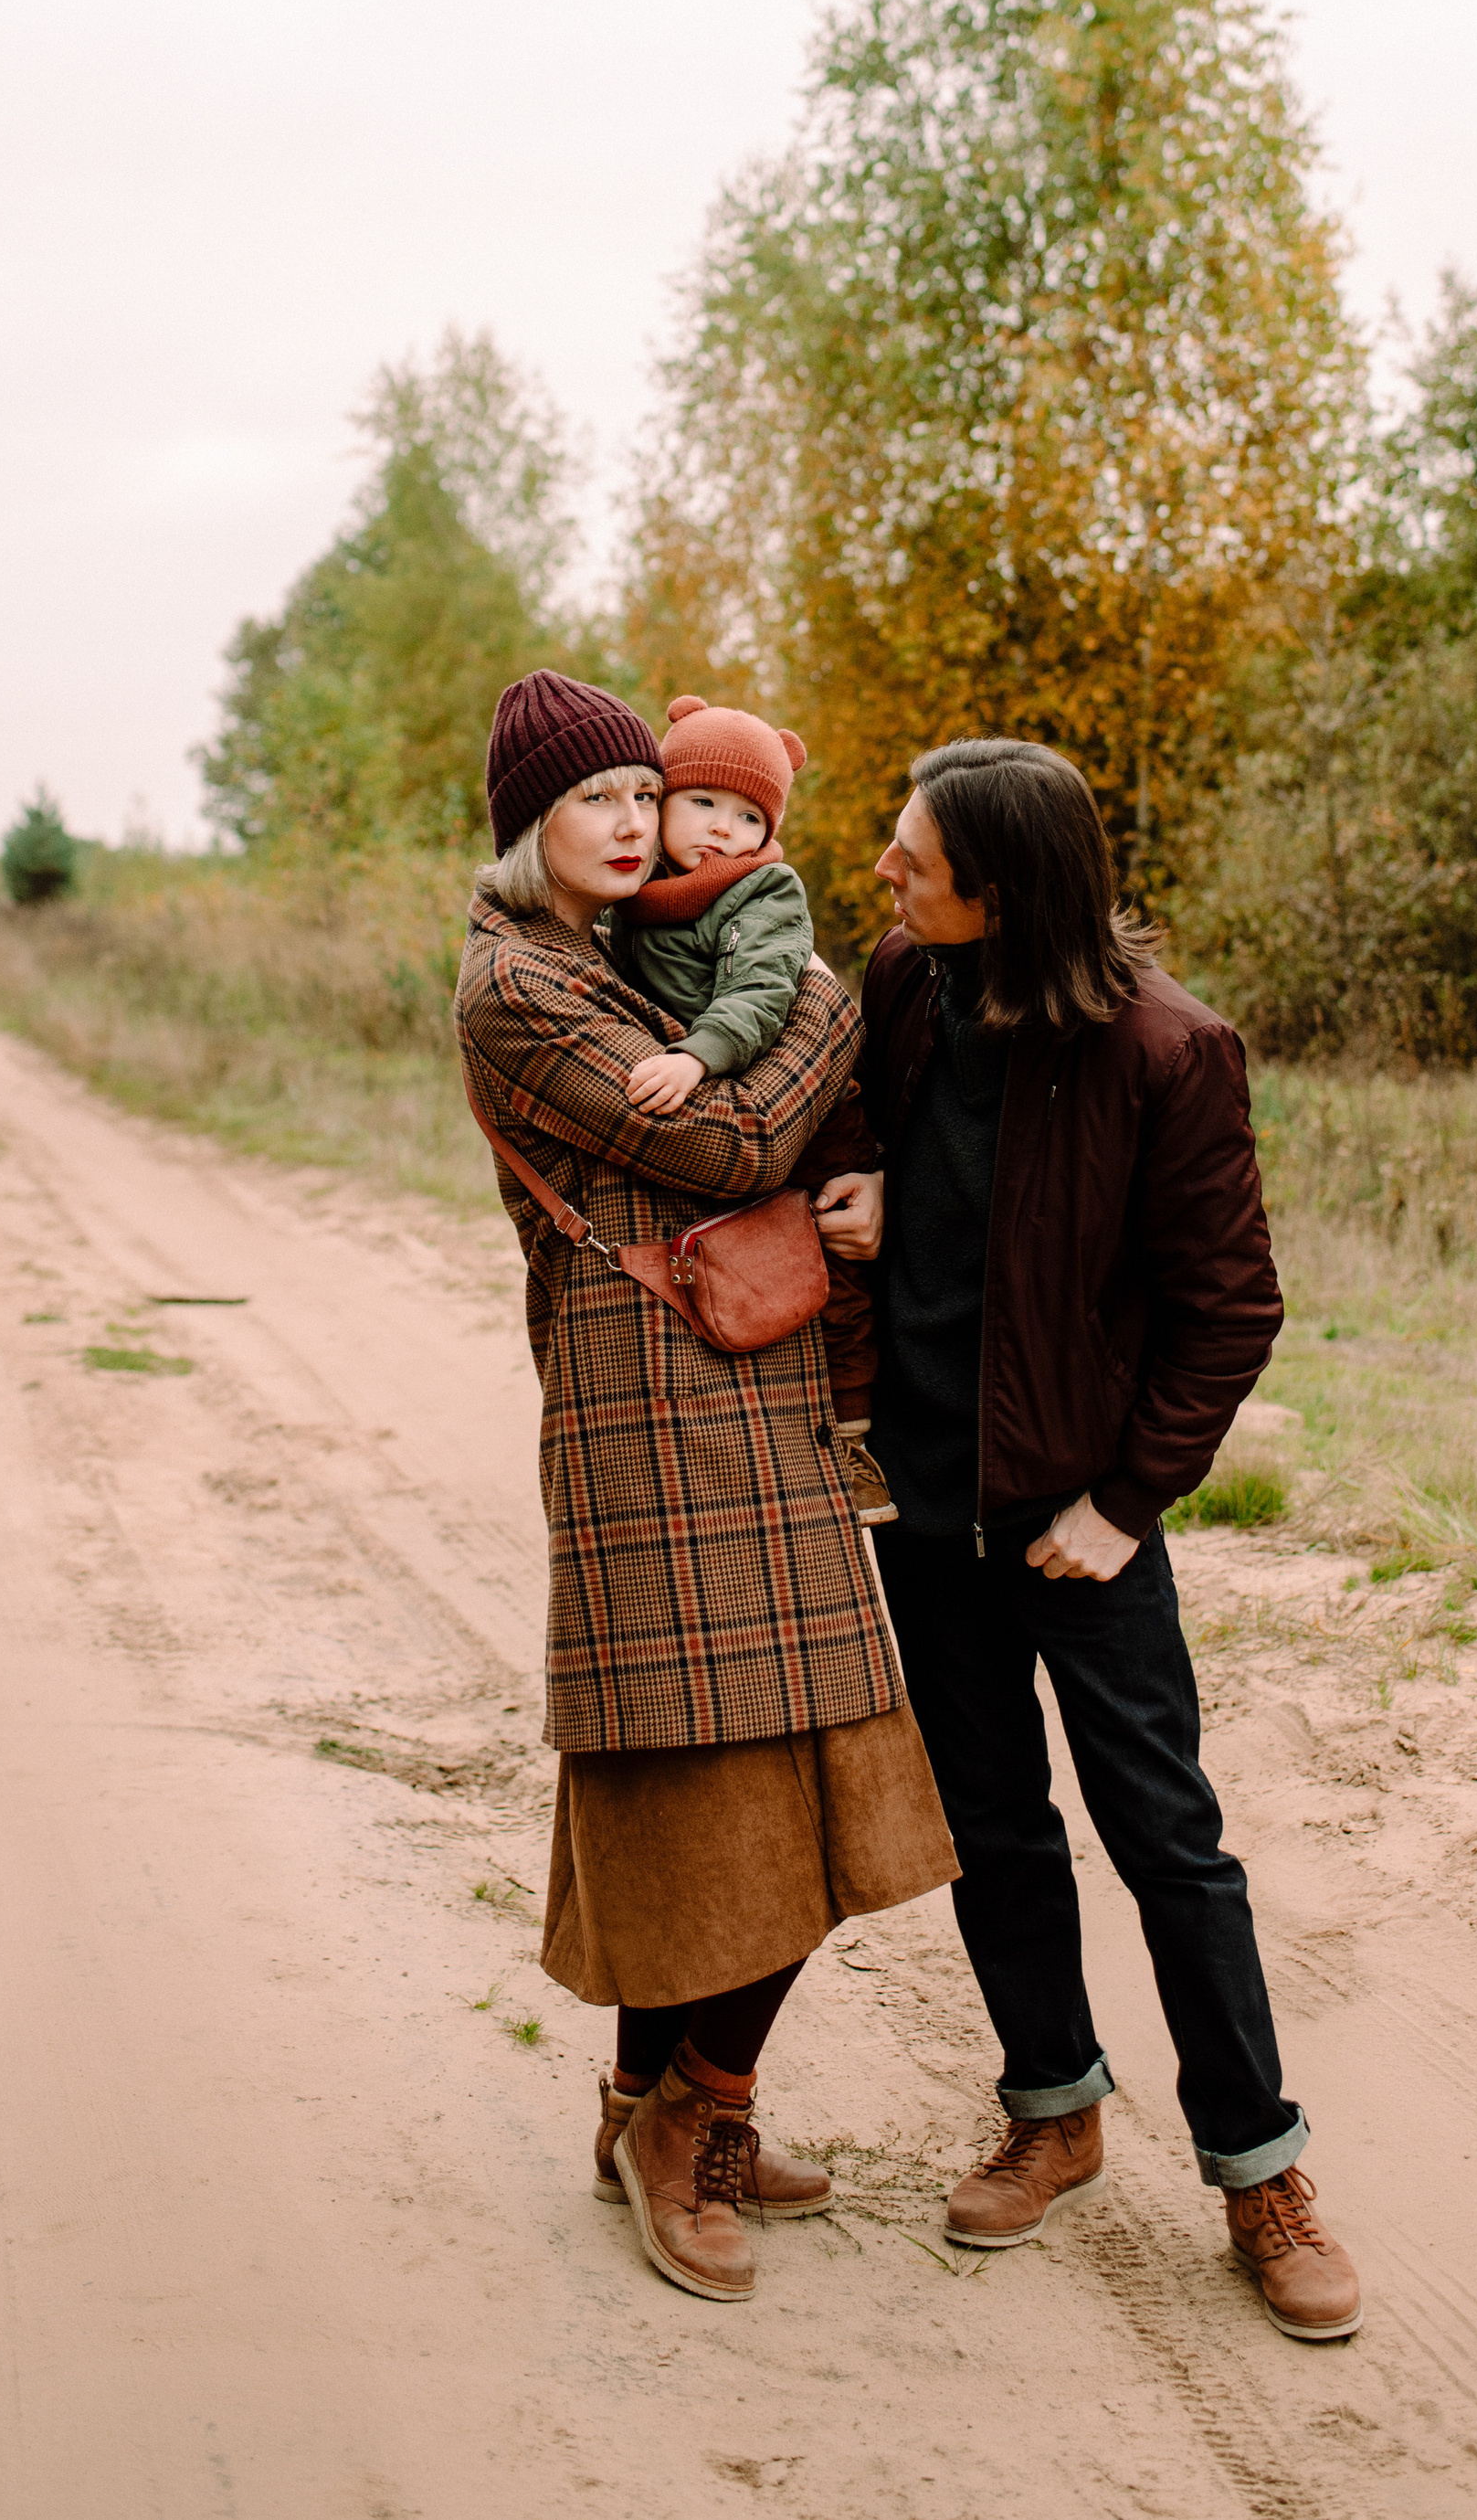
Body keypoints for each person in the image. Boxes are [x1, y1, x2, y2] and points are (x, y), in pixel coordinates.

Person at [818, 736, 1364, 2341]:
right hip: (927, 1506)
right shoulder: (911, 981)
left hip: (1084, 1522)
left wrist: (1126, 1502)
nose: (886, 872)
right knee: (992, 1825)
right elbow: (859, 1114)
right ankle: (1054, 2106)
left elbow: (1230, 1304)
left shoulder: (1169, 1049)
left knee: (1168, 1845)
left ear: (1005, 883)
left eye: (912, 854)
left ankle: (1259, 2166)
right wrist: (857, 1174)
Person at [453, 668, 957, 2306]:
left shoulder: (611, 953)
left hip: (737, 1396)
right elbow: (735, 1145)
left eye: (636, 792)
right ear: (532, 827)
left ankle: (642, 2105)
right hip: (645, 1424)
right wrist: (827, 983)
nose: (627, 818)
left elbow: (760, 1131)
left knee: (767, 1755)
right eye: (590, 799)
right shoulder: (522, 987)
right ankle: (697, 2113)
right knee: (729, 1775)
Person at [608, 691, 892, 1522]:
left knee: (831, 1259)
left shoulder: (762, 890)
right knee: (764, 1252)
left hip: (814, 1102)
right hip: (731, 1086)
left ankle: (855, 1429)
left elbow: (764, 990)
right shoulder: (639, 890)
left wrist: (699, 1056)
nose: (720, 830)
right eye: (700, 803)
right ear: (662, 800)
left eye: (746, 815)